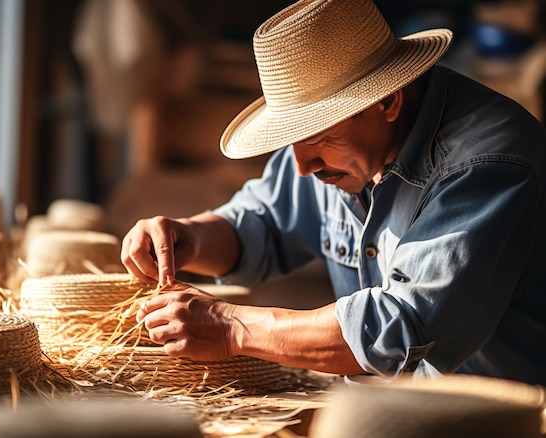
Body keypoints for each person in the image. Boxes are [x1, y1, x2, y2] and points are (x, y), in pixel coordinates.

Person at [121, 0, 546, 385]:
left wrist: (232, 326)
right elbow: (263, 222)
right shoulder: (336, 147)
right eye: (292, 140)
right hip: (407, 410)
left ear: (387, 101)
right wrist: (188, 237)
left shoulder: (486, 166)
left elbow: (398, 329)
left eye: (316, 137)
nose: (303, 166)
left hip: (514, 418)